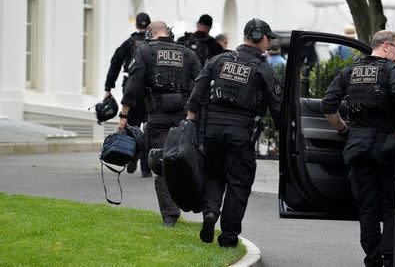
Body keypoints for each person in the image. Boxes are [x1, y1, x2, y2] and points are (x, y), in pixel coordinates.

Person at [321, 30, 395, 267]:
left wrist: (344, 130)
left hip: (357, 146)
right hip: (386, 147)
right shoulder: (392, 69)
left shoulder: (350, 71)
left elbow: (327, 105)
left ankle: (372, 259)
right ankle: (388, 256)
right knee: (391, 205)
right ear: (386, 46)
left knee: (367, 208)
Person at [185, 18, 283, 247]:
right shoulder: (262, 67)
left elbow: (198, 90)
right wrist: (285, 132)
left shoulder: (219, 59)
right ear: (258, 37)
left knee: (214, 174)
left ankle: (210, 213)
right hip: (241, 133)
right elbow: (276, 104)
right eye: (268, 38)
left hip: (212, 130)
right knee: (238, 184)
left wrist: (191, 118)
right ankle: (228, 237)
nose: (269, 43)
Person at [118, 21, 202, 227]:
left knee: (162, 162)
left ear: (150, 34)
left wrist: (124, 115)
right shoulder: (186, 53)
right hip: (184, 116)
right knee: (185, 160)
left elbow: (133, 85)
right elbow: (200, 81)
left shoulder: (145, 51)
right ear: (169, 33)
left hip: (157, 115)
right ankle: (192, 202)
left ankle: (170, 216)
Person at [104, 12, 152, 177]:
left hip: (131, 90)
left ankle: (132, 154)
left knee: (131, 125)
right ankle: (146, 168)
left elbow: (115, 63)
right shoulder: (153, 44)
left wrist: (108, 87)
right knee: (149, 127)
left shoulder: (129, 43)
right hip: (150, 91)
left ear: (136, 25)